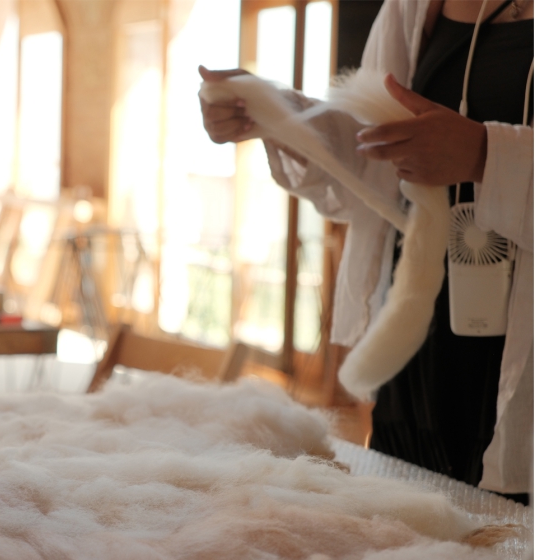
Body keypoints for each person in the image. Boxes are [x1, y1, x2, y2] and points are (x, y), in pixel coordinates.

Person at [200, 0, 533, 501]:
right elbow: (373, 157)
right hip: (419, 347)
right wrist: (280, 115)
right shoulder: (411, 7)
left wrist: (486, 155)